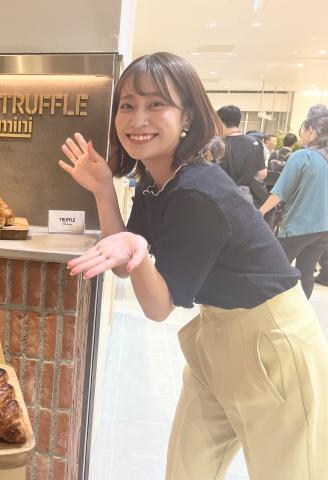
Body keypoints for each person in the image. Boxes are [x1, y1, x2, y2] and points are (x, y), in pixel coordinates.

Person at [58, 52, 328, 480]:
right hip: (218, 336)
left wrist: (139, 250)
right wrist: (104, 192)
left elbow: (158, 306)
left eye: (155, 104)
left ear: (187, 116)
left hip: (274, 344)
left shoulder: (196, 190)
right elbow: (127, 266)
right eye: (127, 105)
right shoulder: (156, 181)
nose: (137, 118)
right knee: (187, 469)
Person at [259, 104, 328, 298]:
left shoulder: (302, 155)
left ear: (310, 130)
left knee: (276, 269)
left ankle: (272, 311)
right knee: (307, 272)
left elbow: (281, 191)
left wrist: (260, 211)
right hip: (323, 229)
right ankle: (300, 317)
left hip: (298, 226)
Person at [216, 107, 266, 203]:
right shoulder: (255, 142)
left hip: (222, 196)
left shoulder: (218, 145)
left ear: (219, 122)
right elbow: (262, 174)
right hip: (245, 197)